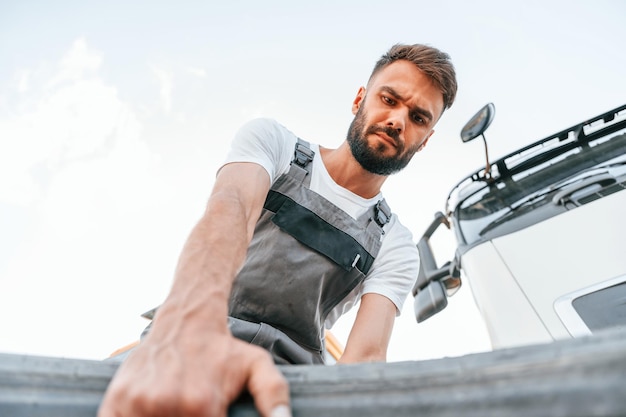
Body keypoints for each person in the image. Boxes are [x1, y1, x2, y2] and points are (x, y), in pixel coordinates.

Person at [98, 43, 457, 417]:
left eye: (418, 118)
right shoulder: (274, 145)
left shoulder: (394, 245)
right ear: (359, 99)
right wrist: (190, 330)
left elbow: (365, 358)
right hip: (195, 335)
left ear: (426, 140)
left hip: (294, 385)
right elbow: (230, 210)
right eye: (389, 99)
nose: (397, 120)